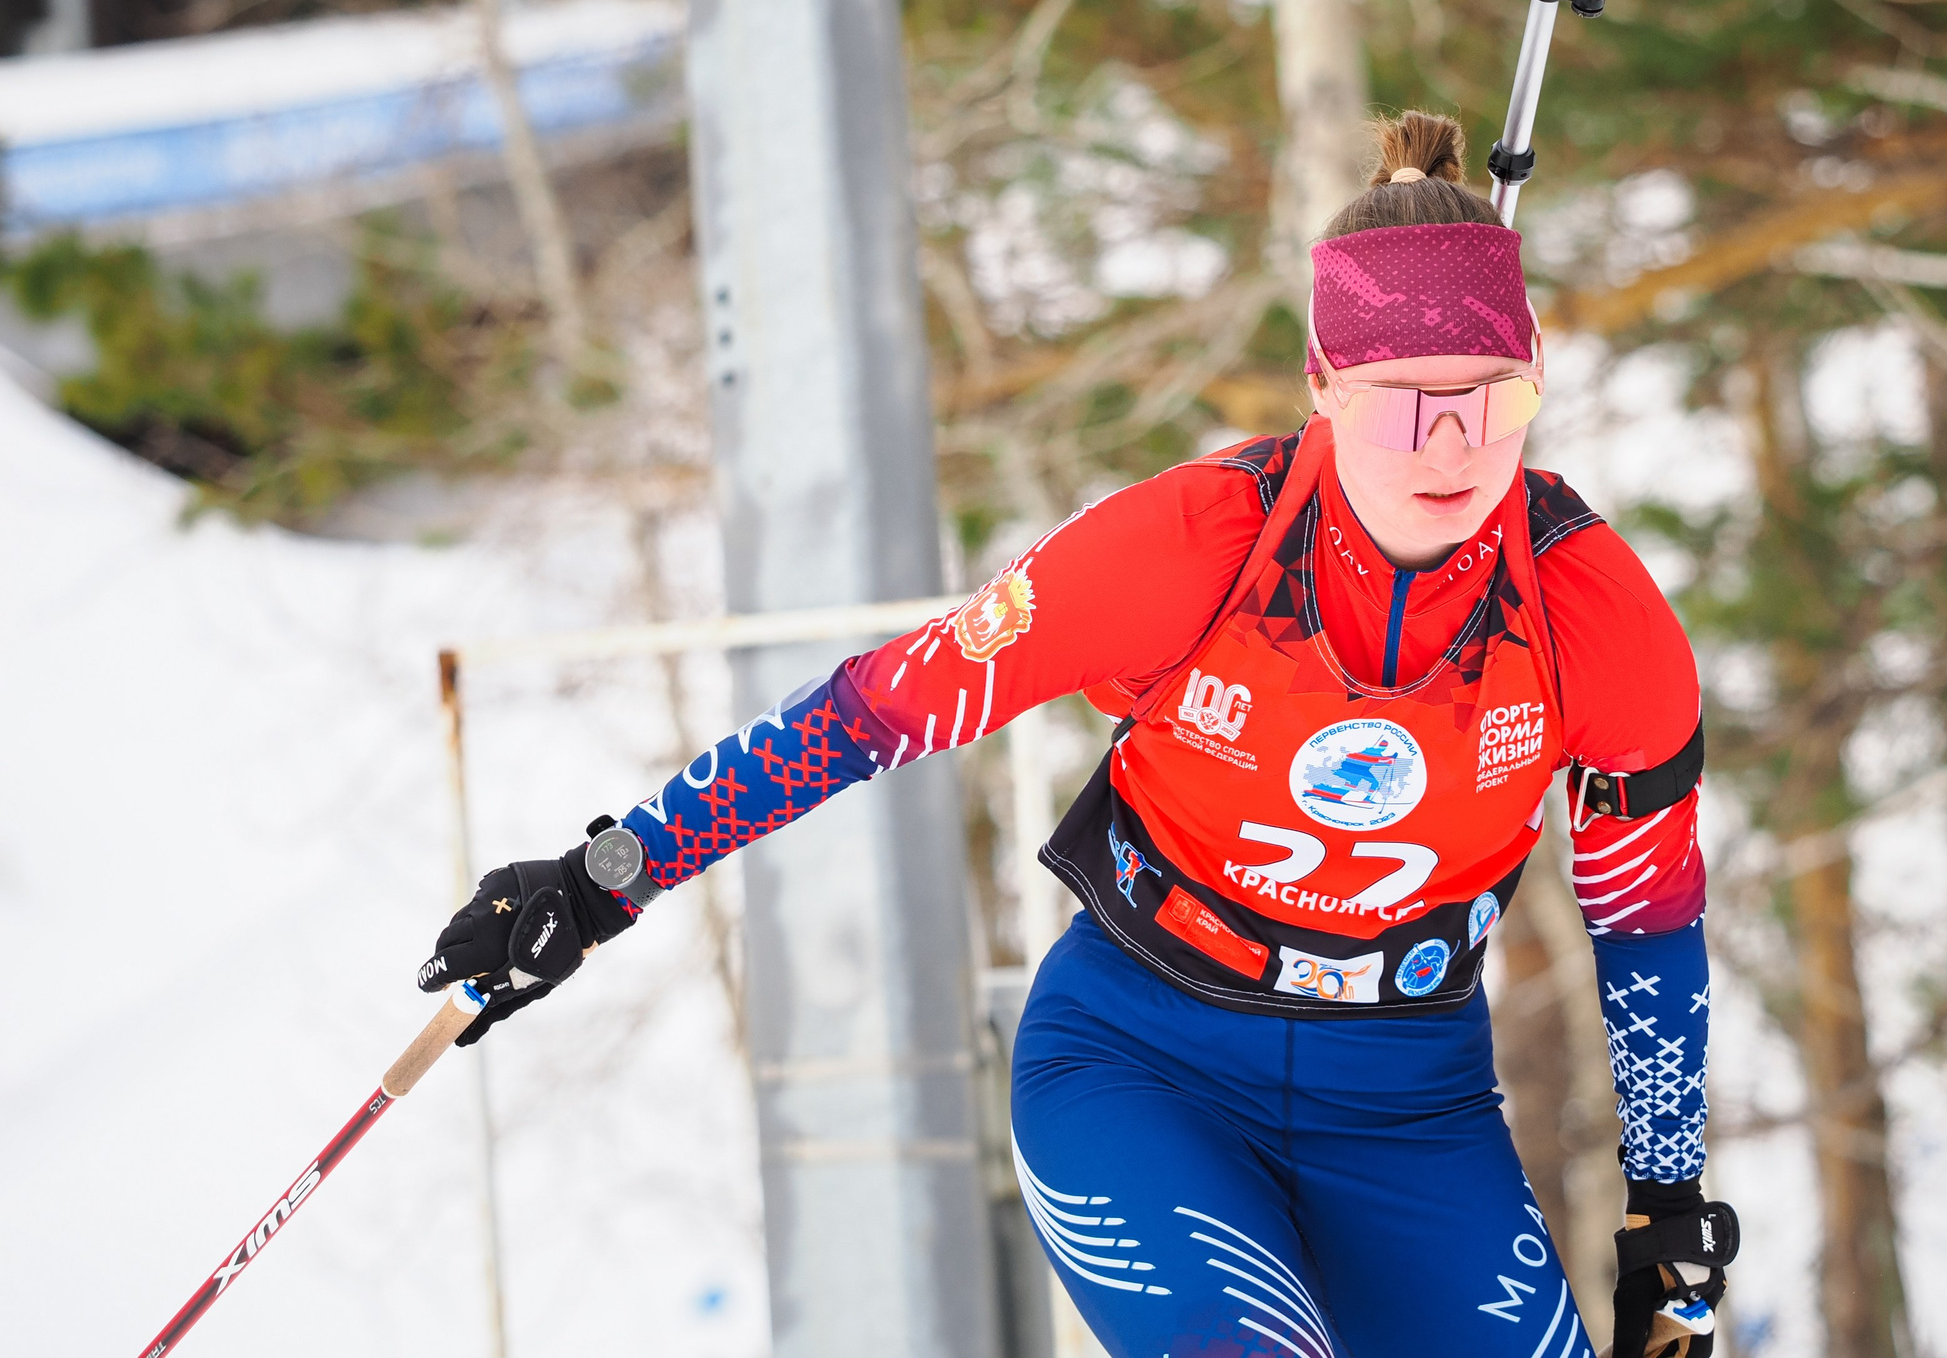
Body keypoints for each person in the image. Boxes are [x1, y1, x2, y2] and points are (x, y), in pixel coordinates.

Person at [418, 111, 1740, 1358]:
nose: (1450, 448)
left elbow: (1645, 917)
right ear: (1324, 386)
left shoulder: (1591, 615)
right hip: (1146, 1067)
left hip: (1409, 1102)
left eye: (1490, 399)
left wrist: (1666, 1208)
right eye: (1403, 400)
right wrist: (606, 878)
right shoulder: (1193, 547)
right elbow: (881, 708)